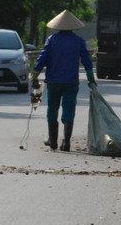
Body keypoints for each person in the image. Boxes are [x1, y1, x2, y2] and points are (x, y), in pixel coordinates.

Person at [32, 9, 94, 151]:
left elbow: (43, 58)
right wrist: (91, 79)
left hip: (53, 81)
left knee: (52, 110)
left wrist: (35, 73)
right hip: (71, 82)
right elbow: (87, 61)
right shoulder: (79, 41)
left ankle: (53, 142)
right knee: (69, 110)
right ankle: (66, 142)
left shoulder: (52, 40)